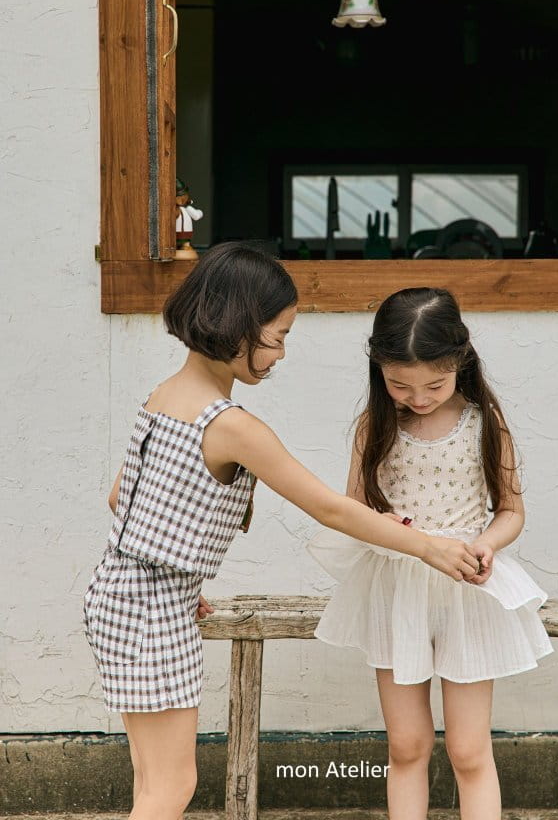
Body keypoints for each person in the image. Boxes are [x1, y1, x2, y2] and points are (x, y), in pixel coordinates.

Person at [82, 246, 481, 820]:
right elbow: (333, 509)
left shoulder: (163, 396)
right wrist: (431, 547)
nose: (281, 353)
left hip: (120, 591)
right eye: (277, 335)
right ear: (236, 326)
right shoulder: (233, 426)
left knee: (151, 782)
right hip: (150, 608)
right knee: (171, 787)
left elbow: (123, 495)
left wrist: (173, 572)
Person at [307, 286, 553, 820]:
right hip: (397, 590)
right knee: (407, 745)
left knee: (468, 749)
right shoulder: (375, 426)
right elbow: (355, 509)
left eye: (434, 385)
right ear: (379, 370)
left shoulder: (485, 423)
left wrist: (486, 543)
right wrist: (385, 525)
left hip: (468, 591)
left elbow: (511, 511)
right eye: (400, 385)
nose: (418, 398)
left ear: (460, 363)